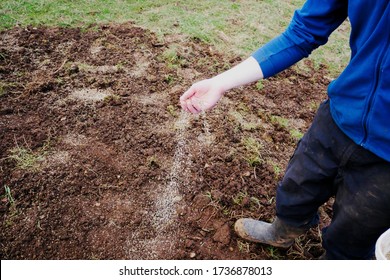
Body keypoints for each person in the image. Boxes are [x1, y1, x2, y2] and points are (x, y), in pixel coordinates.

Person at [179, 0, 390, 260]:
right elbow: (304, 30)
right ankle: (283, 231)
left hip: (386, 158)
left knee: (355, 234)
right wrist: (220, 83)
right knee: (298, 185)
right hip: (340, 112)